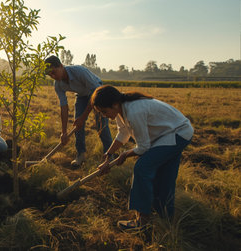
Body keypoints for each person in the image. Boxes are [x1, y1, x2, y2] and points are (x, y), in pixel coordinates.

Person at [91, 85, 193, 231]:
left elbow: (143, 147)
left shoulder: (134, 111)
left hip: (178, 133)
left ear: (113, 104)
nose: (103, 115)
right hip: (169, 134)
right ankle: (165, 220)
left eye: (104, 111)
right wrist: (108, 155)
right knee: (164, 176)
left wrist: (125, 155)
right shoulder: (121, 108)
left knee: (142, 167)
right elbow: (123, 134)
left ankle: (142, 221)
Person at [45, 55, 112, 167]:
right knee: (77, 125)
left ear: (61, 66)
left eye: (54, 72)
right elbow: (64, 107)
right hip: (81, 95)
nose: (53, 76)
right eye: (49, 75)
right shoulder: (58, 85)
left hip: (97, 92)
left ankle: (110, 155)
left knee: (101, 124)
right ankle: (81, 154)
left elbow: (94, 94)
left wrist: (83, 117)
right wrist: (64, 132)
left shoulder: (79, 71)